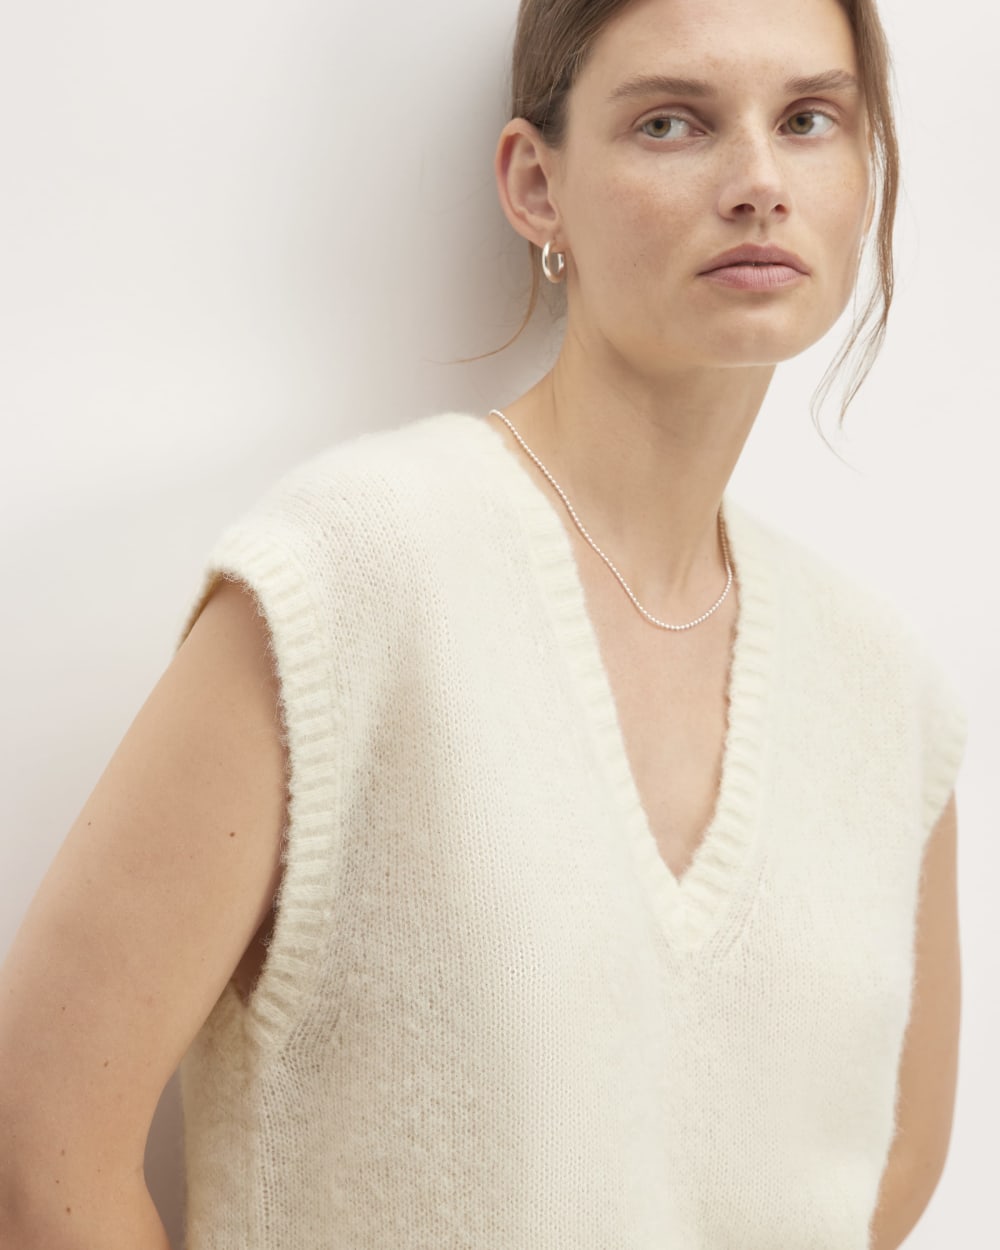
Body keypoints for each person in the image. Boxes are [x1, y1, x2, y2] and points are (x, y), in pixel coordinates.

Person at [0, 0, 967, 1247]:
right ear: (534, 185)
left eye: (809, 119)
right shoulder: (353, 577)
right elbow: (42, 1143)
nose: (758, 181)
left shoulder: (885, 691)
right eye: (671, 123)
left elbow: (882, 1176)